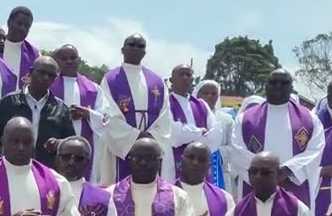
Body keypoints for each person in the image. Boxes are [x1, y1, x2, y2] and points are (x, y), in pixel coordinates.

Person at [227, 69, 323, 203]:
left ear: (291, 87)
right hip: (256, 186)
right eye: (273, 82)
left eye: (284, 83)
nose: (278, 86)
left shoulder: (310, 119)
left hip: (293, 186)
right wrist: (264, 174)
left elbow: (315, 150)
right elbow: (237, 150)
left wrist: (288, 170)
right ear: (266, 86)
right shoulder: (245, 119)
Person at [97, 34, 173, 184]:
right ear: (122, 49)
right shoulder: (111, 79)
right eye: (131, 44)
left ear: (145, 52)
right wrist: (135, 137)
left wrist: (150, 137)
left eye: (141, 46)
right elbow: (107, 113)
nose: (136, 48)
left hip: (152, 142)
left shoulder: (156, 80)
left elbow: (165, 115)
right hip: (122, 147)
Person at [0, 56, 75, 167]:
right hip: (11, 169)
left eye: (51, 75)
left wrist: (59, 144)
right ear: (30, 72)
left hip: (45, 172)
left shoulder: (61, 109)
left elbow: (70, 144)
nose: (45, 78)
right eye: (42, 73)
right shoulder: (8, 103)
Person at [50, 45, 102, 174]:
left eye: (73, 58)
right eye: (64, 58)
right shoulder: (49, 86)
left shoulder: (93, 89)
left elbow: (106, 117)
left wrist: (87, 113)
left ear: (79, 60)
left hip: (83, 148)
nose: (69, 61)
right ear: (57, 61)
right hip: (54, 149)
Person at [168, 64, 222, 168]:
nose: (185, 78)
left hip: (200, 163)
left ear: (193, 79)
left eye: (188, 75)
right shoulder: (166, 103)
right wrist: (201, 132)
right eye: (181, 75)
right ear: (171, 80)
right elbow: (174, 135)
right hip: (174, 162)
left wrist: (189, 136)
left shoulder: (201, 104)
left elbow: (216, 135)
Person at [194, 79, 234, 192]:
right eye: (205, 93)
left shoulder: (227, 119)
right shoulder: (189, 116)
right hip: (193, 168)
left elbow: (233, 146)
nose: (209, 96)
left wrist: (214, 154)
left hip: (220, 170)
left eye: (213, 94)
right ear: (197, 94)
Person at [1, 6, 38, 84]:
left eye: (27, 26)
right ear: (9, 23)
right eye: (19, 23)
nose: (22, 28)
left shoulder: (34, 54)